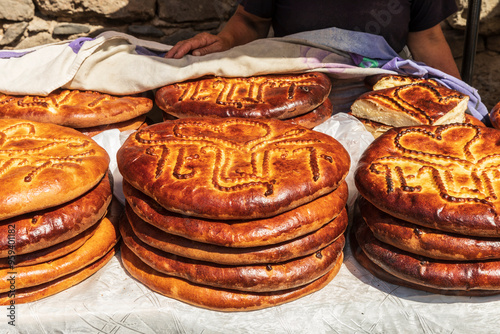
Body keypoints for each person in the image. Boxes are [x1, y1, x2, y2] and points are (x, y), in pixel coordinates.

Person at [165, 0, 461, 79]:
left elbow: (430, 39)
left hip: (374, 92)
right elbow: (251, 20)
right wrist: (224, 40)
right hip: (290, 86)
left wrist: (462, 103)